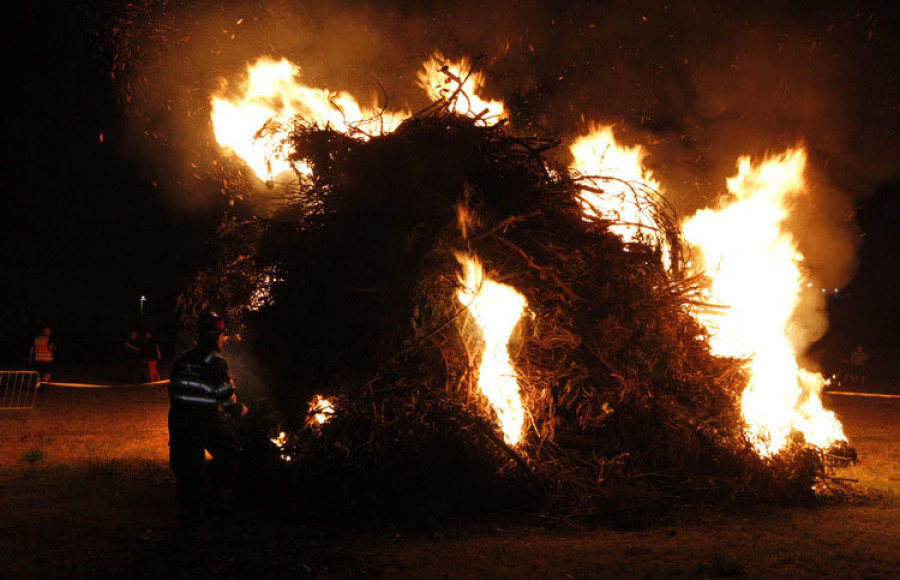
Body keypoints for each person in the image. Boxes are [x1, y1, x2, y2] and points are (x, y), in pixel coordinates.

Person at [167, 312, 247, 525]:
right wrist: (242, 410)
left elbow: (173, 389)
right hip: (203, 419)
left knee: (187, 466)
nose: (224, 339)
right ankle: (218, 503)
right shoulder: (215, 363)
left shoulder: (183, 359)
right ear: (215, 337)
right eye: (222, 335)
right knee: (230, 450)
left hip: (178, 419)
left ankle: (187, 513)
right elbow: (228, 402)